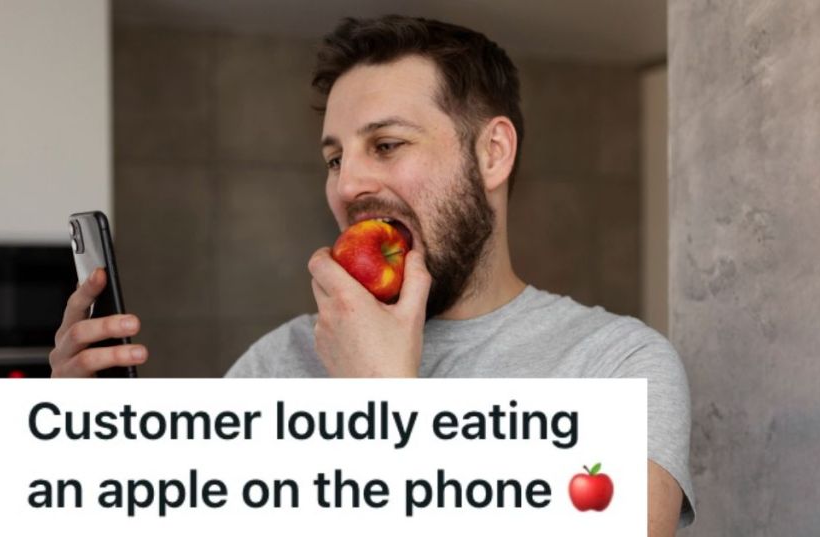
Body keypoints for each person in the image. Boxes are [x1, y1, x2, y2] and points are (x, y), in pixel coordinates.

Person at [49, 15, 695, 534]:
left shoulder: (615, 367)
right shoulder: (278, 364)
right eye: (335, 159)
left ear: (492, 154)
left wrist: (383, 404)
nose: (347, 185)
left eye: (386, 145)